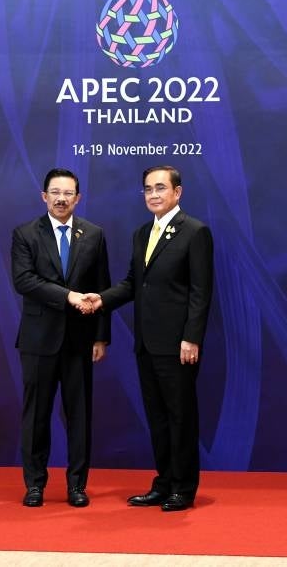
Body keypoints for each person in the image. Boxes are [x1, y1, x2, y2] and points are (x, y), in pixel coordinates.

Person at [85, 165, 213, 512]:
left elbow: (201, 291)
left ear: (177, 192)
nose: (153, 194)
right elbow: (133, 283)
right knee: (157, 418)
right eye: (148, 189)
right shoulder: (142, 233)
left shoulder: (195, 231)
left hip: (178, 345)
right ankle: (164, 483)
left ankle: (183, 488)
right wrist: (101, 299)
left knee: (180, 417)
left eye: (160, 187)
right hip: (146, 343)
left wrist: (192, 337)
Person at [11, 168, 111, 508]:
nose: (61, 199)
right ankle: (35, 485)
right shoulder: (26, 234)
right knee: (36, 416)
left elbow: (102, 287)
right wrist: (68, 296)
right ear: (44, 196)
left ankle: (77, 486)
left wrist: (101, 336)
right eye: (55, 192)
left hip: (80, 341)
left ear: (78, 198)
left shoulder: (94, 234)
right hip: (38, 340)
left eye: (68, 193)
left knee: (79, 417)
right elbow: (24, 280)